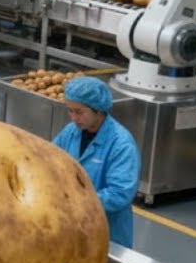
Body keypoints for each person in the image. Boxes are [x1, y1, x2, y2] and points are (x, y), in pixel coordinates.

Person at [53, 77, 140, 248]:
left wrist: (77, 202)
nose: (73, 118)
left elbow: (119, 194)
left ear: (99, 111)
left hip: (106, 232)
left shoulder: (121, 144)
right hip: (73, 225)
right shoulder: (71, 132)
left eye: (79, 112)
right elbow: (49, 160)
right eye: (70, 111)